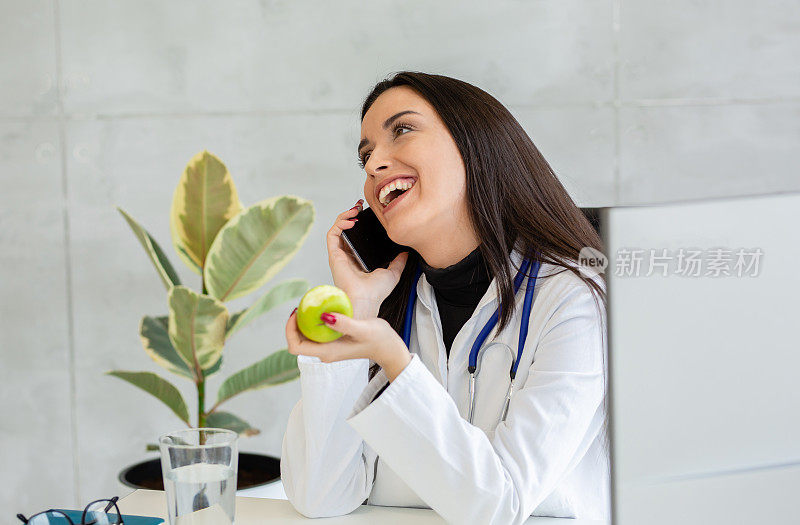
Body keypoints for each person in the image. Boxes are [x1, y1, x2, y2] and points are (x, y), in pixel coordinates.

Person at [281, 71, 609, 524]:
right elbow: (321, 497)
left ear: (475, 143)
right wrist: (355, 314)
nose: (375, 162)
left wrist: (395, 363)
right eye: (366, 155)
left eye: (402, 130)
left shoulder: (571, 299)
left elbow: (499, 506)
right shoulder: (391, 306)